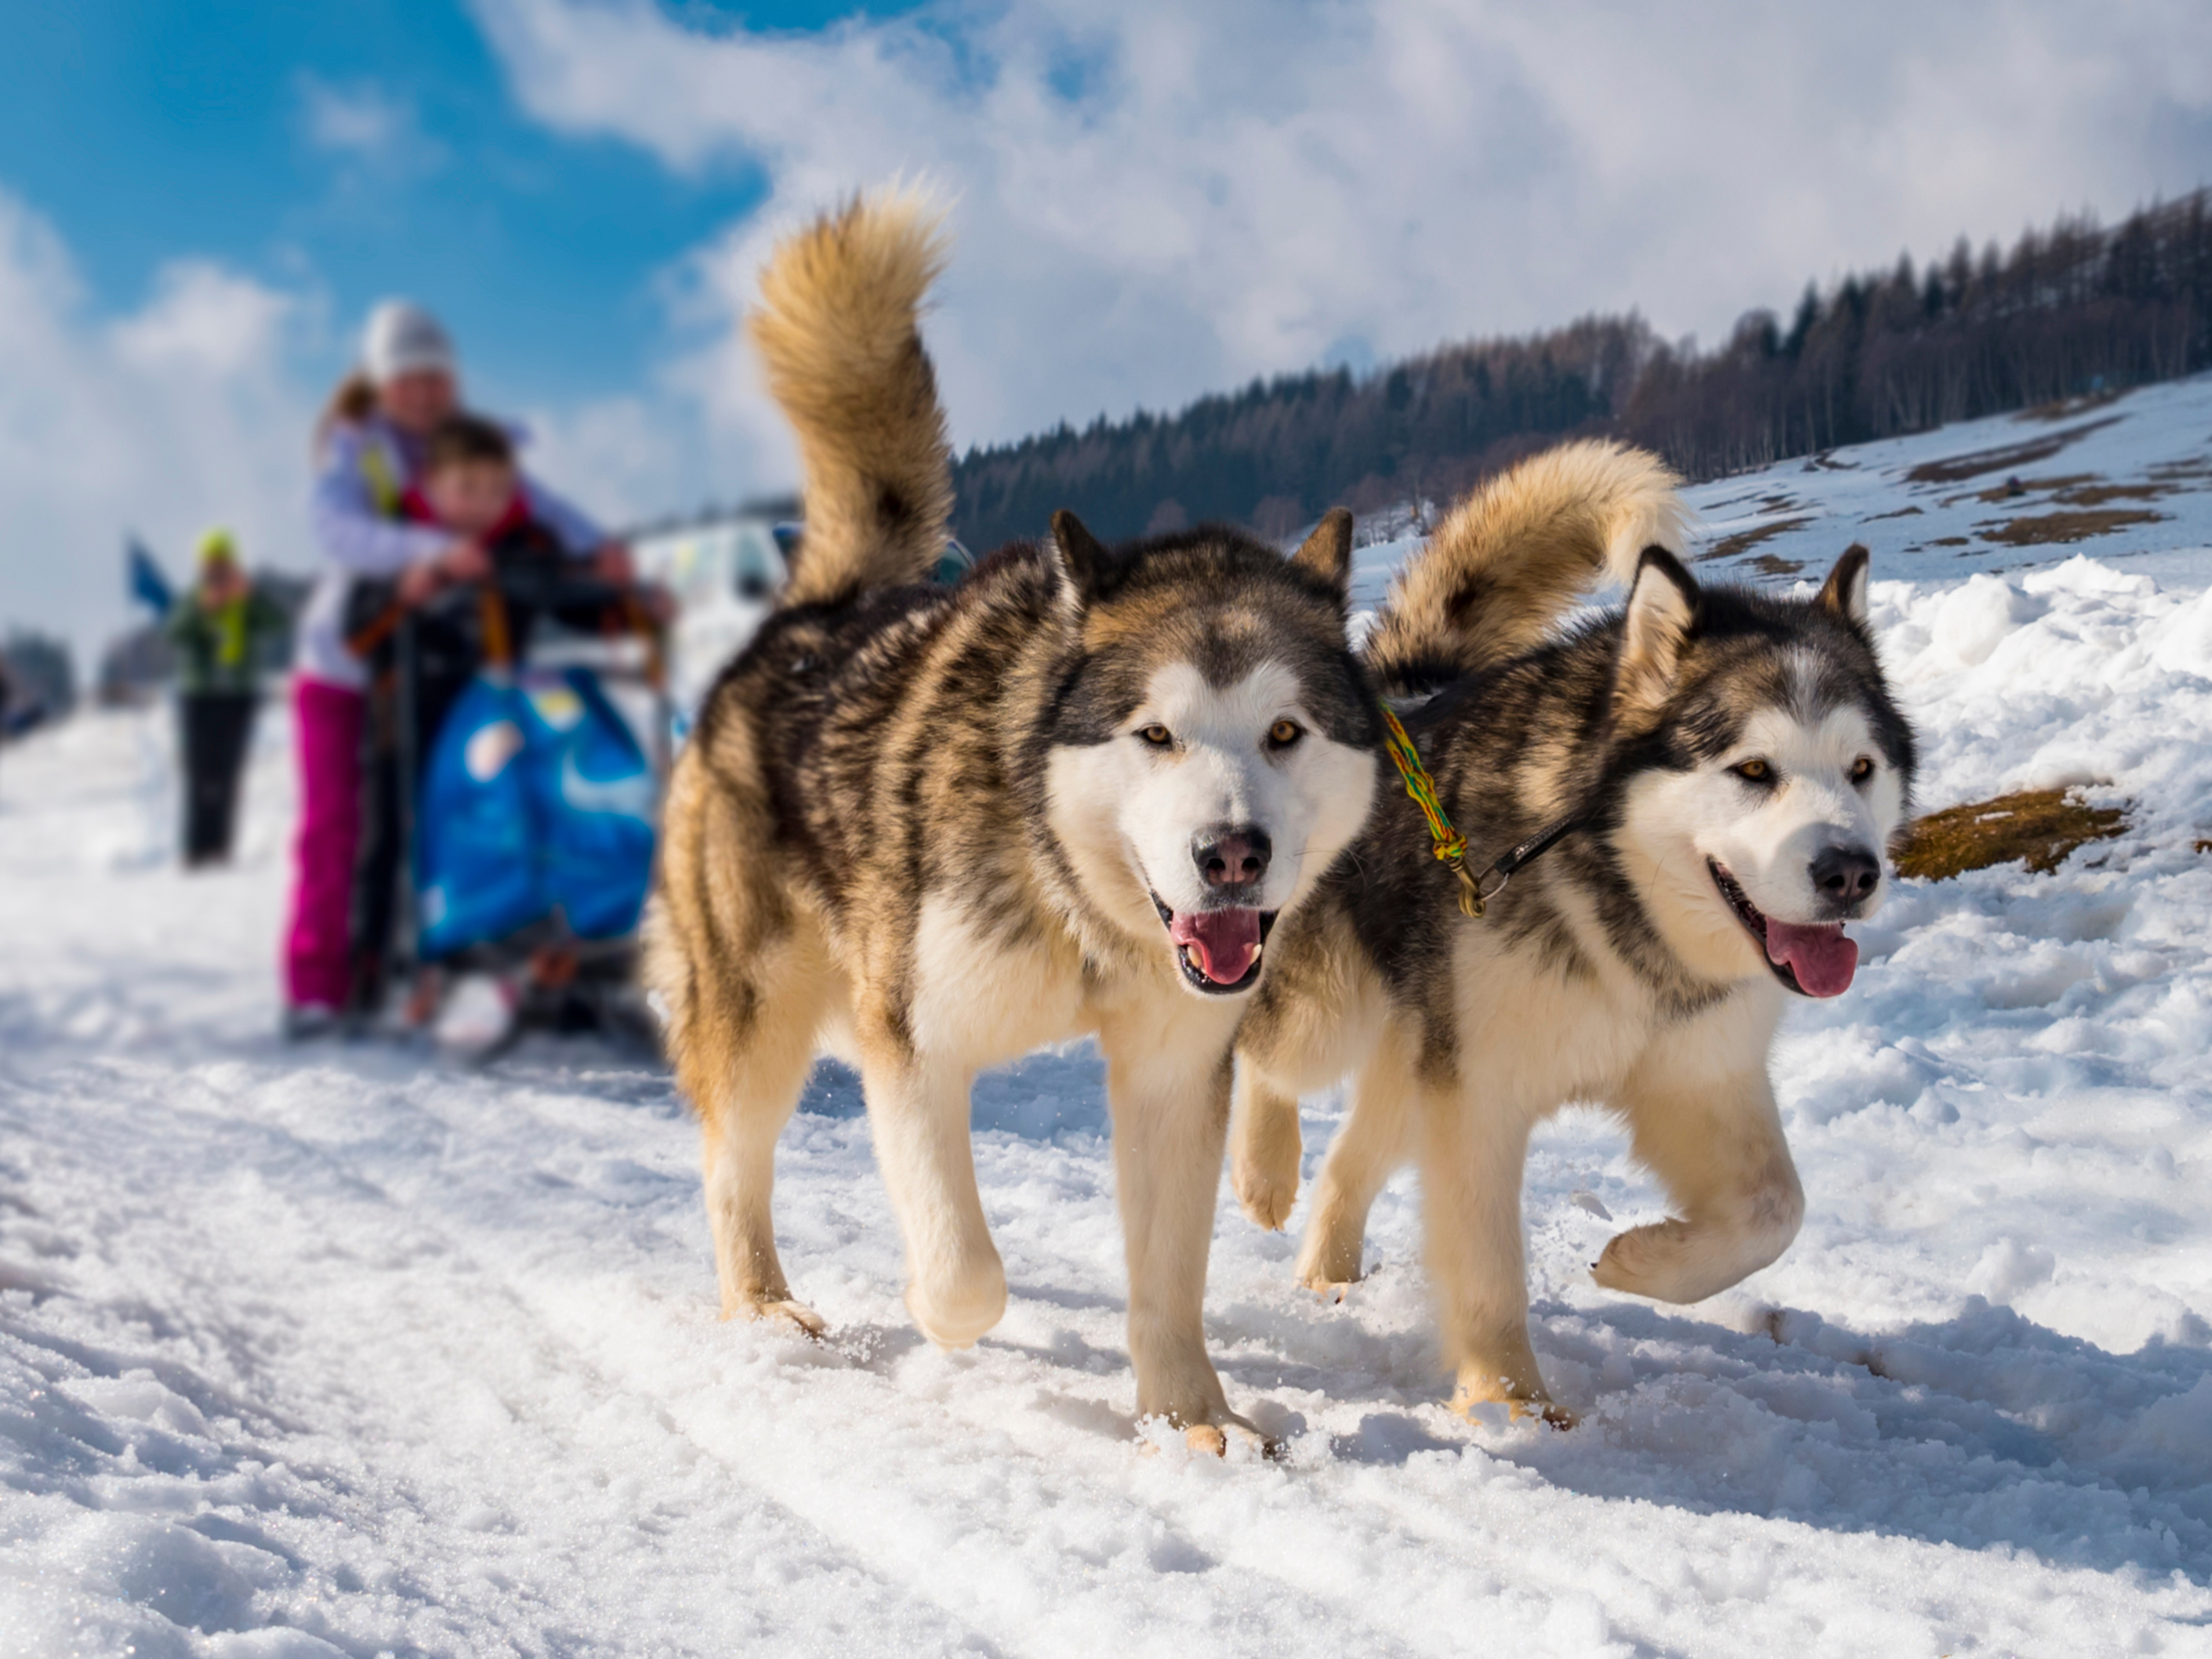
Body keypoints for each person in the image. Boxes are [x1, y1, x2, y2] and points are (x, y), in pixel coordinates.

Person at [284, 299, 628, 1038]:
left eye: (436, 376)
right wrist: (428, 556)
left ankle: (488, 964)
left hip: (441, 659)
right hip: (349, 661)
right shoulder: (361, 448)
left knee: (474, 806)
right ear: (380, 383)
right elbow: (337, 529)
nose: (424, 391)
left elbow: (545, 509)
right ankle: (325, 984)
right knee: (343, 826)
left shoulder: (468, 447)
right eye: (407, 377)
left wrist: (600, 554)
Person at [168, 530, 286, 867]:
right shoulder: (193, 597)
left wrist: (252, 597)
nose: (216, 572)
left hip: (238, 696)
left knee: (228, 774)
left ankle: (221, 848)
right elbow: (174, 632)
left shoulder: (245, 596)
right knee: (198, 774)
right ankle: (194, 848)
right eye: (210, 564)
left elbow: (280, 622)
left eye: (222, 564)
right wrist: (200, 609)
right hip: (198, 696)